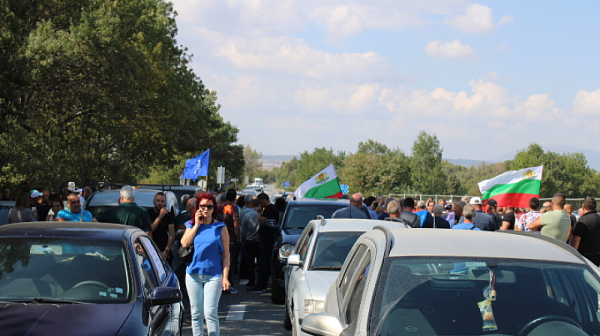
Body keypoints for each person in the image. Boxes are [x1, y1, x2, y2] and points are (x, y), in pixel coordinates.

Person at [181, 193, 231, 336]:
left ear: (214, 208)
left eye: (209, 206)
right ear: (197, 208)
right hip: (193, 274)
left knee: (210, 312)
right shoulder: (190, 225)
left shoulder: (220, 227)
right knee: (196, 313)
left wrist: (226, 277)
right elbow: (184, 243)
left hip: (213, 275)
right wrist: (196, 224)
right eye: (202, 206)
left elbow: (226, 255)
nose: (206, 209)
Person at [248, 192, 278, 292]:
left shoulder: (270, 209)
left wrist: (259, 212)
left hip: (267, 240)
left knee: (263, 262)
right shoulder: (270, 209)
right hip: (266, 239)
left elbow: (262, 221)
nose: (260, 204)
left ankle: (261, 284)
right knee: (263, 262)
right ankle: (262, 283)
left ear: (264, 200)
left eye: (261, 202)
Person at [217, 189, 240, 294]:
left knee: (220, 260)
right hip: (230, 238)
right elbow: (236, 224)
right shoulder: (234, 208)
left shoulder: (219, 208)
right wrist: (238, 237)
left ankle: (218, 283)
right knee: (229, 261)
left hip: (218, 237)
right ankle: (228, 284)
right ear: (235, 198)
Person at [570, 197, 600, 266]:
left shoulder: (583, 220)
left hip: (583, 255)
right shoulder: (598, 218)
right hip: (597, 255)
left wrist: (572, 254)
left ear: (584, 206)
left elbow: (576, 239)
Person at [148, 192, 176, 259]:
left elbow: (172, 234)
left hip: (164, 246)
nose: (160, 203)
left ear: (165, 203)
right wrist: (160, 217)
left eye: (162, 201)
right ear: (154, 201)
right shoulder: (149, 213)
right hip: (150, 247)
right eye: (158, 201)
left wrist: (166, 250)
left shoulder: (169, 215)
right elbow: (150, 230)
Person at [241, 199, 261, 288]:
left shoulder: (247, 215)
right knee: (261, 262)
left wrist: (243, 239)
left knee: (250, 262)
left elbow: (243, 230)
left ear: (252, 206)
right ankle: (260, 280)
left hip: (249, 240)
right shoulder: (261, 215)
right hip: (260, 241)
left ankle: (251, 280)